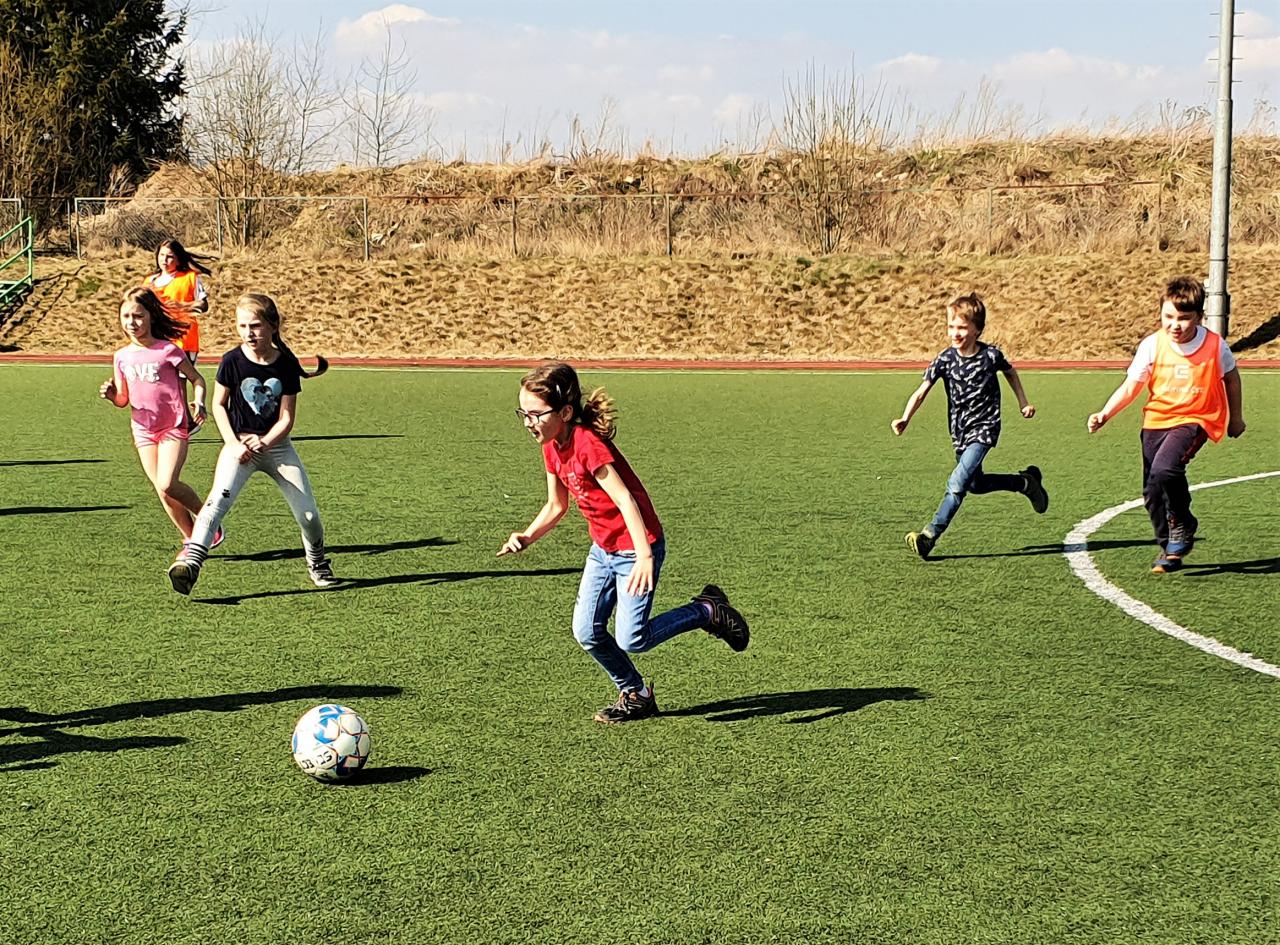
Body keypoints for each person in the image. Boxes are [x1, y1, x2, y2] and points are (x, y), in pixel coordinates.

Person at [497, 361, 749, 724]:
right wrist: (526, 536)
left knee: (633, 639)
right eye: (523, 413)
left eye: (536, 414)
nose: (527, 423)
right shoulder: (551, 445)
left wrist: (644, 556)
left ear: (565, 412)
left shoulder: (586, 444)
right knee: (587, 632)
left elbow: (625, 500)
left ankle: (706, 611)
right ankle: (636, 694)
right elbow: (556, 505)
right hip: (603, 550)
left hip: (635, 548)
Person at [166, 293, 335, 595]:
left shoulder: (285, 364)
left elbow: (286, 419)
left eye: (255, 326)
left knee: (309, 515)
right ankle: (191, 565)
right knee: (216, 502)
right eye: (242, 326)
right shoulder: (232, 360)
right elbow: (219, 405)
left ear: (273, 326)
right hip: (239, 447)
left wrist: (265, 441)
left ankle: (317, 562)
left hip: (277, 448)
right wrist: (233, 443)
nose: (249, 333)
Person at [1087, 276, 1245, 573]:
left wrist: (1236, 418)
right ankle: (1169, 549)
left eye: (1184, 319)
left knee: (1165, 469)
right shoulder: (1152, 345)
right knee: (1152, 492)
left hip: (1196, 419)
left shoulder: (1215, 345)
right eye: (1168, 317)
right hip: (1156, 421)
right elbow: (1131, 387)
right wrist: (1105, 413)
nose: (1175, 325)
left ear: (1199, 316)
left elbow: (1232, 379)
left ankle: (1183, 523)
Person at [891, 292, 1048, 559]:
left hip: (985, 428)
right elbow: (921, 391)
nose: (955, 333)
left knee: (957, 483)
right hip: (959, 431)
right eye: (951, 326)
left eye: (962, 327)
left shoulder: (990, 356)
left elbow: (1010, 372)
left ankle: (930, 535)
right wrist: (905, 417)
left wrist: (1023, 402)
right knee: (974, 484)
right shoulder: (944, 360)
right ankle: (1025, 483)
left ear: (977, 329)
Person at [99, 287, 222, 554]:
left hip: (173, 426)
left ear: (151, 316)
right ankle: (193, 539)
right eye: (126, 316)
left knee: (168, 482)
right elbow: (123, 399)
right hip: (143, 431)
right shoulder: (121, 356)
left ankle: (208, 519)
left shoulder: (167, 350)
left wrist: (199, 401)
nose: (132, 322)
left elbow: (197, 379)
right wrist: (112, 396)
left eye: (138, 316)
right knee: (162, 490)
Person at [144, 239, 213, 434]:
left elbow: (203, 305)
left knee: (181, 378)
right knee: (162, 380)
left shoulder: (189, 278)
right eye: (162, 255)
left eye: (170, 256)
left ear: (178, 258)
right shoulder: (149, 282)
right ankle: (174, 419)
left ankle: (187, 422)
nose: (164, 260)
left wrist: (183, 306)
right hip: (159, 337)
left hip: (184, 337)